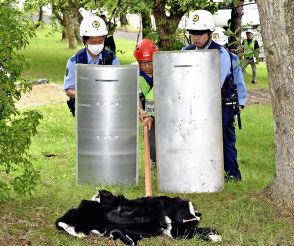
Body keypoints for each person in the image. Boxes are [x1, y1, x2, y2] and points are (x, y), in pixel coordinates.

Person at [182, 10, 245, 181]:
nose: (196, 38)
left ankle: (232, 175)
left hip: (221, 104)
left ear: (209, 33)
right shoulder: (185, 51)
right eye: (192, 33)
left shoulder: (221, 54)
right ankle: (204, 173)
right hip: (194, 104)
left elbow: (215, 83)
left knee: (224, 140)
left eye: (200, 33)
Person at [64, 15, 120, 116]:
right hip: (84, 110)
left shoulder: (112, 59)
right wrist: (90, 96)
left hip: (108, 110)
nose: (97, 45)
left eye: (100, 41)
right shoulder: (74, 61)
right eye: (93, 42)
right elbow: (69, 90)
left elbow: (118, 85)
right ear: (85, 41)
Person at [133, 39, 159, 168]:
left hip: (163, 112)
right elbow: (134, 95)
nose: (147, 66)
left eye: (149, 62)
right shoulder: (134, 72)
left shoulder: (164, 70)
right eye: (142, 63)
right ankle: (153, 161)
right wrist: (140, 111)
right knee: (150, 137)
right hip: (146, 113)